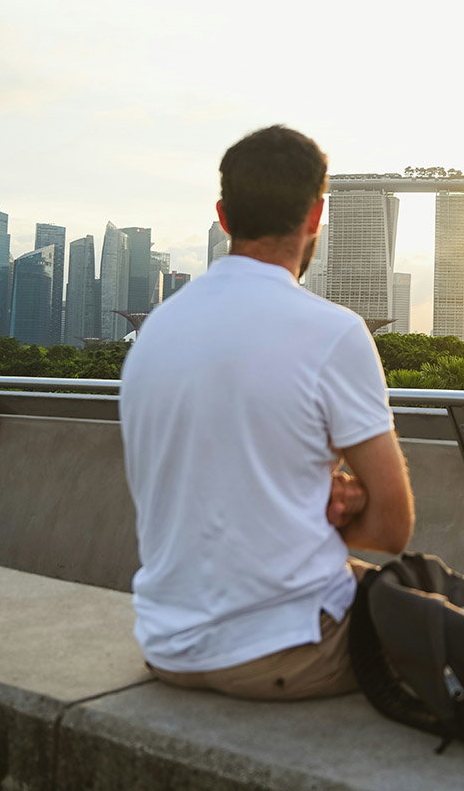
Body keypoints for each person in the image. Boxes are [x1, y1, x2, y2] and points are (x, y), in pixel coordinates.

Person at [120, 125, 414, 700]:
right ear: (315, 216)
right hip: (286, 652)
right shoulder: (334, 333)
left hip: (168, 643)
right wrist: (349, 503)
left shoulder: (154, 332)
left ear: (224, 216)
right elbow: (390, 530)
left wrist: (310, 498)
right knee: (450, 624)